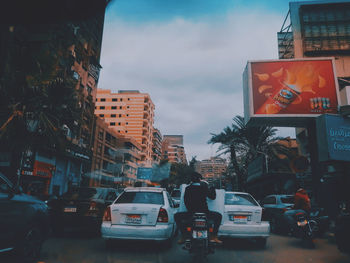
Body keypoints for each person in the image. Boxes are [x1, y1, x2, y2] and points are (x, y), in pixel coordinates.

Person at [174, 171, 222, 244]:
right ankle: (214, 236)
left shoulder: (188, 188)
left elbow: (186, 201)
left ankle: (184, 235)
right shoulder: (204, 187)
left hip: (191, 213)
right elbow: (212, 197)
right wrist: (212, 189)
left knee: (176, 216)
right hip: (205, 213)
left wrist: (190, 210)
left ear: (191, 180)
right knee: (219, 216)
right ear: (200, 179)